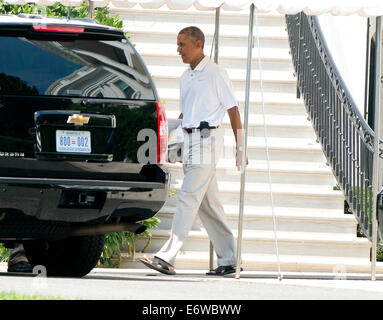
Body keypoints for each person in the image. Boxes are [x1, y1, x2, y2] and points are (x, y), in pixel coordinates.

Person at [140, 26, 248, 276]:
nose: (178, 50)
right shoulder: (184, 77)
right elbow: (185, 114)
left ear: (199, 44)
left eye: (182, 45)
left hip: (208, 141)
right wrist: (173, 143)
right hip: (189, 141)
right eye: (177, 44)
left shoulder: (216, 74)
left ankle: (166, 257)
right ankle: (230, 259)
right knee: (208, 205)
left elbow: (233, 110)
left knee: (188, 196)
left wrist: (240, 148)